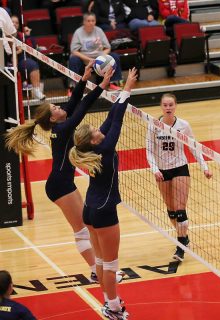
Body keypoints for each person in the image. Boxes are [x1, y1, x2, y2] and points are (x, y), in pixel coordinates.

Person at [5, 62, 113, 283]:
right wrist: (101, 85)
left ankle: (97, 268)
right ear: (53, 119)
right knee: (82, 229)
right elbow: (81, 107)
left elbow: (74, 102)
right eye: (55, 109)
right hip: (60, 186)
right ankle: (95, 271)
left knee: (87, 225)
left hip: (61, 184)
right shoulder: (63, 128)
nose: (59, 107)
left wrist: (84, 78)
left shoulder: (60, 125)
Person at [69, 67, 138, 320]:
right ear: (94, 139)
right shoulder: (105, 149)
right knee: (110, 265)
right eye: (95, 130)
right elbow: (117, 120)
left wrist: (115, 88)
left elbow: (111, 116)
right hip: (104, 211)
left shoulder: (94, 147)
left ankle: (110, 301)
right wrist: (128, 87)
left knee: (100, 263)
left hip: (91, 210)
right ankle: (113, 307)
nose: (99, 128)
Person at [146, 93, 212, 262]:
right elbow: (149, 151)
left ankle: (181, 245)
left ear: (176, 106)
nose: (168, 108)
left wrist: (204, 167)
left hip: (180, 168)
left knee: (180, 209)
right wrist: (154, 169)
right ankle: (184, 236)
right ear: (161, 107)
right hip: (162, 171)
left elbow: (194, 148)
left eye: (171, 105)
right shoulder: (153, 125)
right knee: (171, 210)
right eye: (165, 105)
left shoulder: (183, 125)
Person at [69, 12, 123, 91]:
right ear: (84, 22)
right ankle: (73, 86)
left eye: (93, 21)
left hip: (99, 59)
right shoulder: (78, 32)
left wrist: (101, 58)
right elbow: (74, 51)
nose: (91, 23)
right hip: (84, 60)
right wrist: (88, 59)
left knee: (115, 56)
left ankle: (113, 83)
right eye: (88, 21)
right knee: (73, 59)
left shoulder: (99, 30)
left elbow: (108, 47)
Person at [10, 15, 45, 100]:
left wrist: (28, 36)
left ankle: (36, 91)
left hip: (22, 60)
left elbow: (31, 48)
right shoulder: (4, 34)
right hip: (9, 61)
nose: (14, 24)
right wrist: (17, 51)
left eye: (17, 23)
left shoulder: (21, 35)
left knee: (33, 65)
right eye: (12, 22)